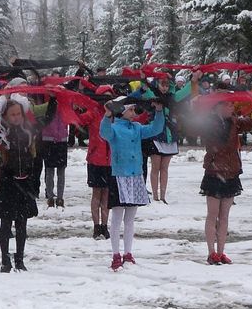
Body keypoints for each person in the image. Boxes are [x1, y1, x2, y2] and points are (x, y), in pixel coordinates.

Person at [198, 98, 252, 265]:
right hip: (215, 172)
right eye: (228, 105)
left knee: (224, 216)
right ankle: (211, 252)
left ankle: (221, 251)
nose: (232, 107)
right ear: (218, 107)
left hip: (231, 172)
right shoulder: (209, 123)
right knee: (212, 214)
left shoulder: (235, 122)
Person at [99, 98, 167, 270]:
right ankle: (116, 254)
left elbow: (155, 129)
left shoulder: (137, 128)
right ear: (122, 111)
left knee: (130, 219)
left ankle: (128, 253)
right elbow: (104, 133)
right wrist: (107, 115)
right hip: (119, 176)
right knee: (117, 218)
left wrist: (159, 112)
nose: (134, 112)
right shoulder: (114, 128)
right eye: (131, 110)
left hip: (135, 175)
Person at [0, 95, 40, 272]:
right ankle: (5, 259)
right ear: (5, 116)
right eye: (12, 114)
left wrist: (53, 99)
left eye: (18, 114)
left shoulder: (28, 132)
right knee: (6, 223)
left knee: (22, 224)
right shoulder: (2, 134)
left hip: (24, 184)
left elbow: (48, 118)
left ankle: (19, 258)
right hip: (8, 185)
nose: (16, 117)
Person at [142, 72, 190, 203]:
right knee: (155, 168)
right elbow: (145, 89)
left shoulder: (173, 97)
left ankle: (162, 196)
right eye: (162, 84)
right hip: (156, 135)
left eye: (167, 85)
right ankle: (155, 197)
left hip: (169, 134)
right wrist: (143, 77)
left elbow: (187, 90)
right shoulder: (152, 95)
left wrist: (195, 78)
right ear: (157, 83)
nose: (164, 88)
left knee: (164, 169)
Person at [71, 91, 112, 239]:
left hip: (110, 160)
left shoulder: (114, 114)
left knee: (106, 195)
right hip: (96, 159)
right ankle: (96, 226)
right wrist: (75, 109)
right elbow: (78, 121)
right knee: (97, 194)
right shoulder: (94, 112)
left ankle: (105, 225)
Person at [39, 93, 70, 209]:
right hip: (49, 139)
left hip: (61, 139)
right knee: (50, 170)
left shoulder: (65, 106)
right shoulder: (46, 105)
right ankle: (50, 196)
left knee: (60, 171)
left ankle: (60, 197)